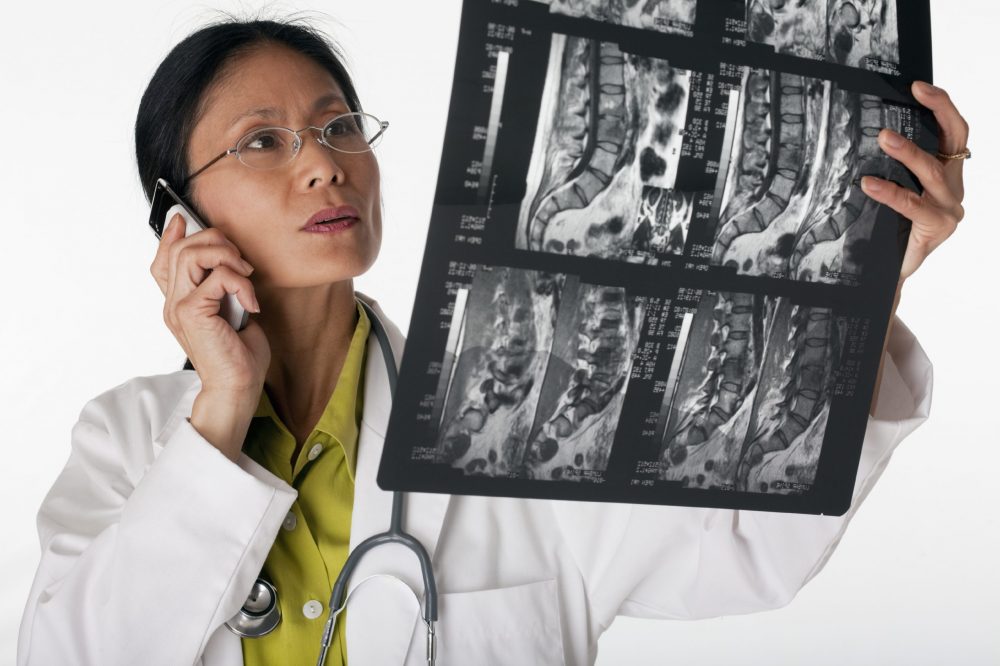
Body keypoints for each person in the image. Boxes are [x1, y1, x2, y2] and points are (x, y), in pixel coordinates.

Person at [16, 14, 968, 666]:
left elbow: (742, 550)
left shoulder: (521, 396)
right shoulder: (129, 443)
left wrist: (865, 287)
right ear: (178, 219)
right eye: (262, 142)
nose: (322, 164)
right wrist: (220, 409)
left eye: (338, 125)